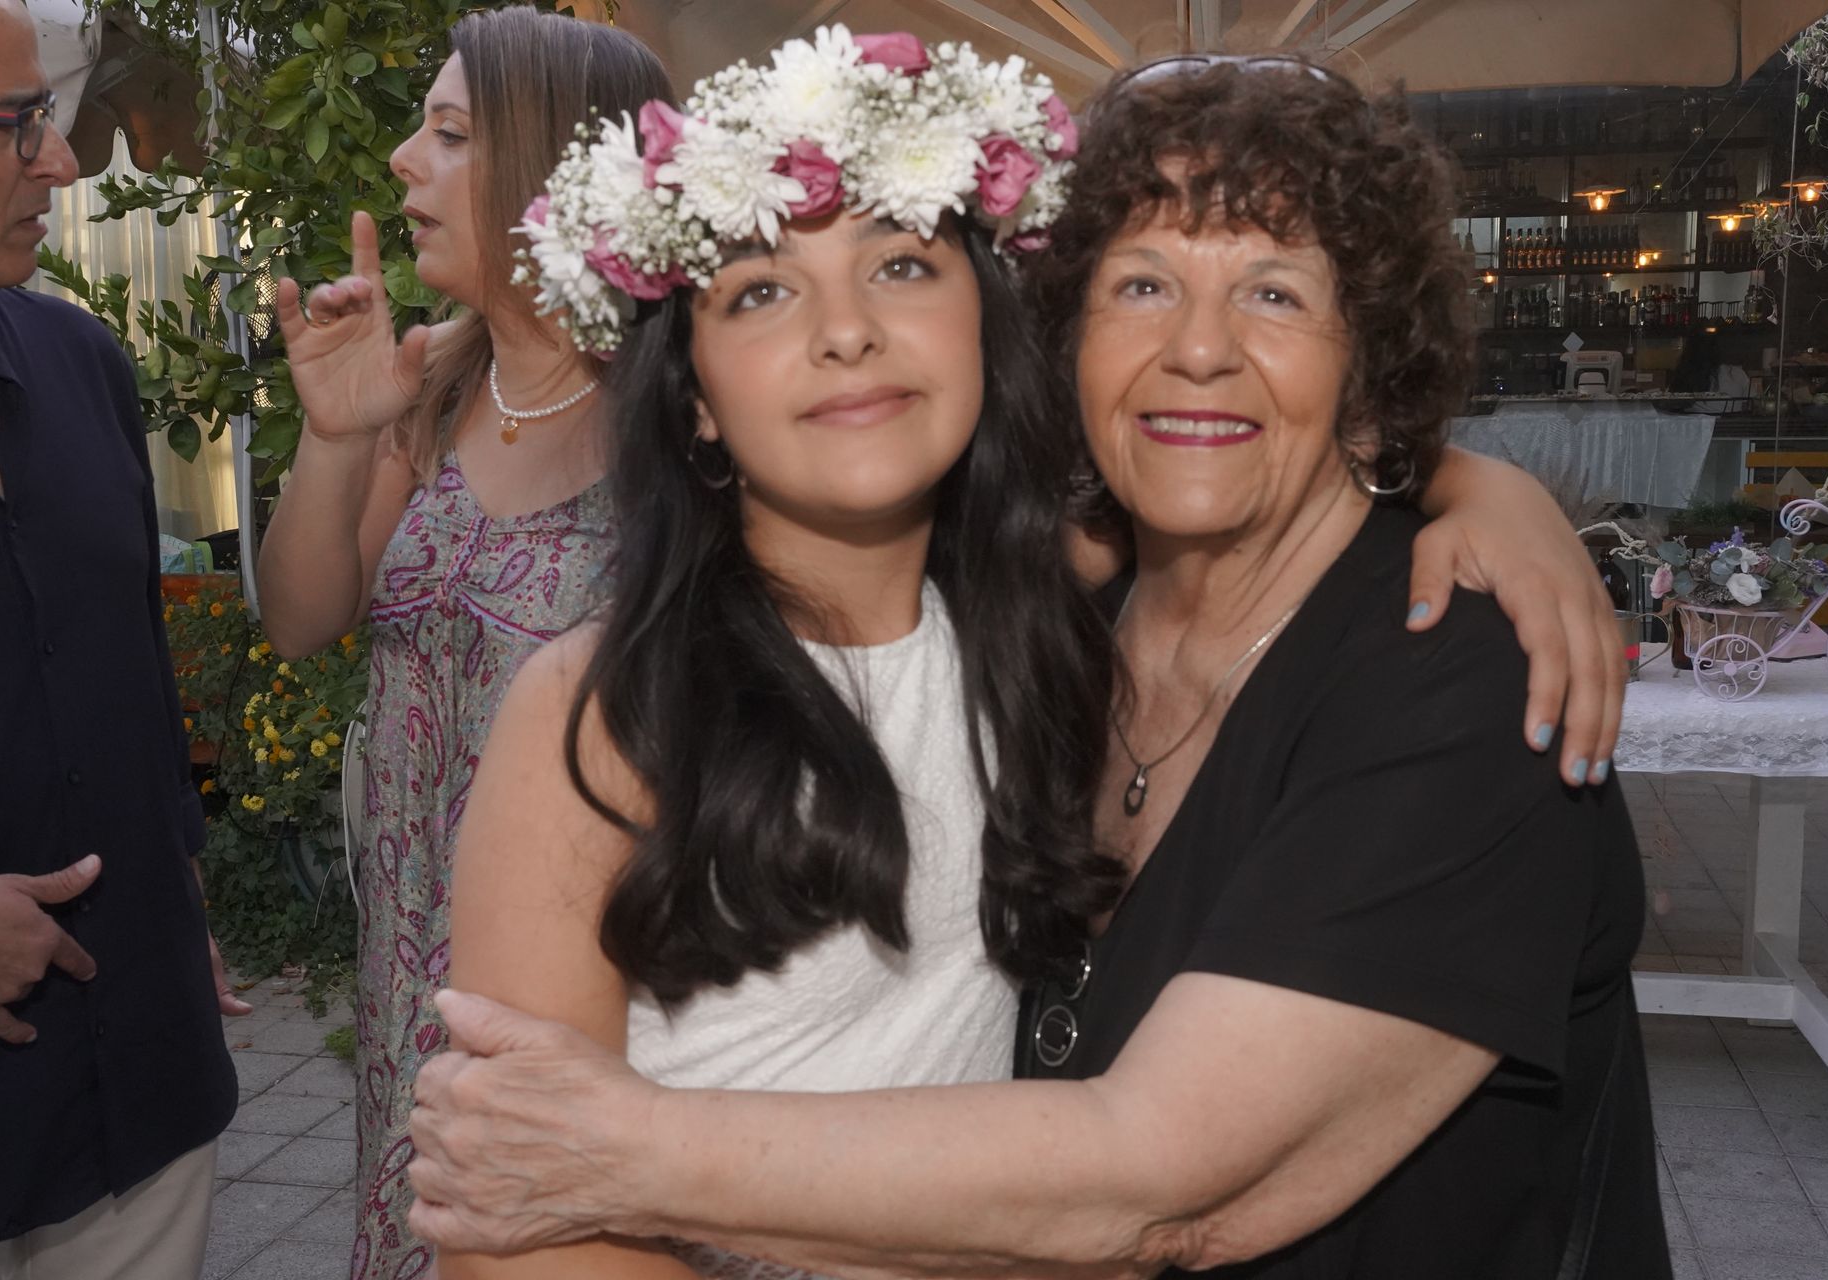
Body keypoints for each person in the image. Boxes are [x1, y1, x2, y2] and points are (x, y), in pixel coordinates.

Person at [404, 53, 1666, 1280]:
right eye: (1143, 285)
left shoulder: (1462, 687)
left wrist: (616, 1149)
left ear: (1371, 365)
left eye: (1276, 294)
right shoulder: (1058, 624)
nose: (1202, 348)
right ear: (1064, 341)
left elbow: (1169, 1179)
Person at [255, 9, 671, 1277]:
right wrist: (336, 432)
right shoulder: (435, 382)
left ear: (555, 162)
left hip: (598, 976)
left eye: (448, 132)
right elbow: (301, 618)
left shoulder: (685, 413)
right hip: (407, 970)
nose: (401, 159)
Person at [0, 1, 244, 1276]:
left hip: (143, 1101)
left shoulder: (81, 362)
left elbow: (134, 672)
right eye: (17, 124)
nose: (62, 161)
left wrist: (179, 888)